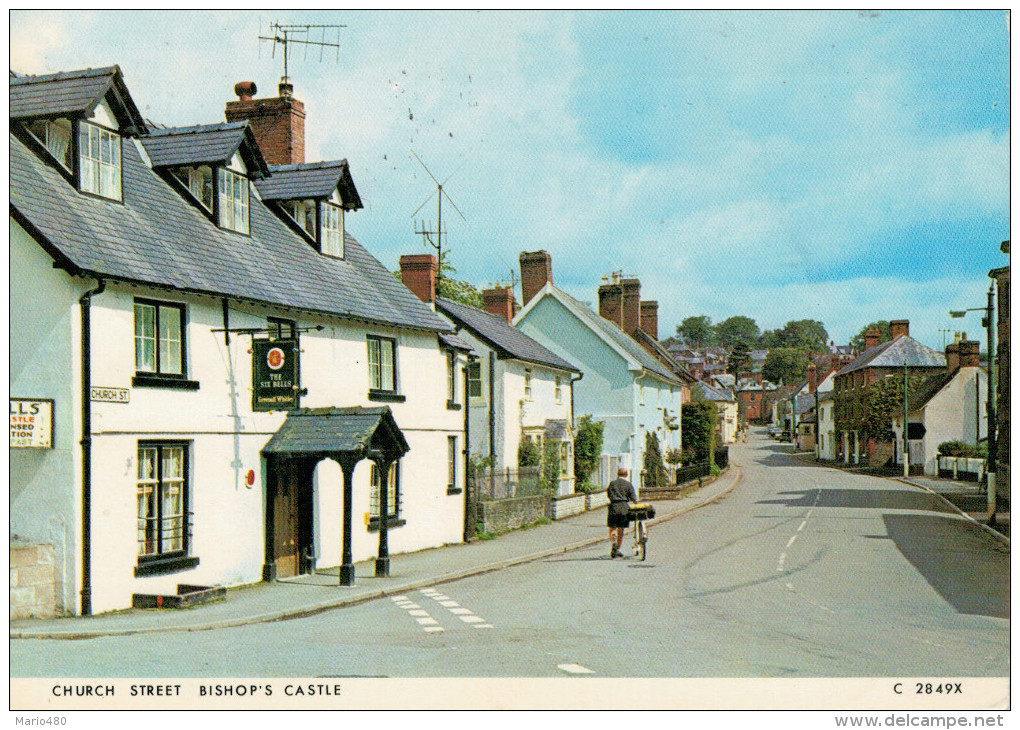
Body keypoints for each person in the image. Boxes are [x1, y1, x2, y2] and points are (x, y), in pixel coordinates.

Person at [606, 467, 637, 558]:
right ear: (626, 475)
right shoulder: (628, 484)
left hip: (613, 506)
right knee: (621, 529)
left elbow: (608, 494)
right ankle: (618, 549)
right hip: (624, 507)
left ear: (617, 474)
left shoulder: (612, 484)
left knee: (612, 528)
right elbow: (634, 498)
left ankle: (614, 543)